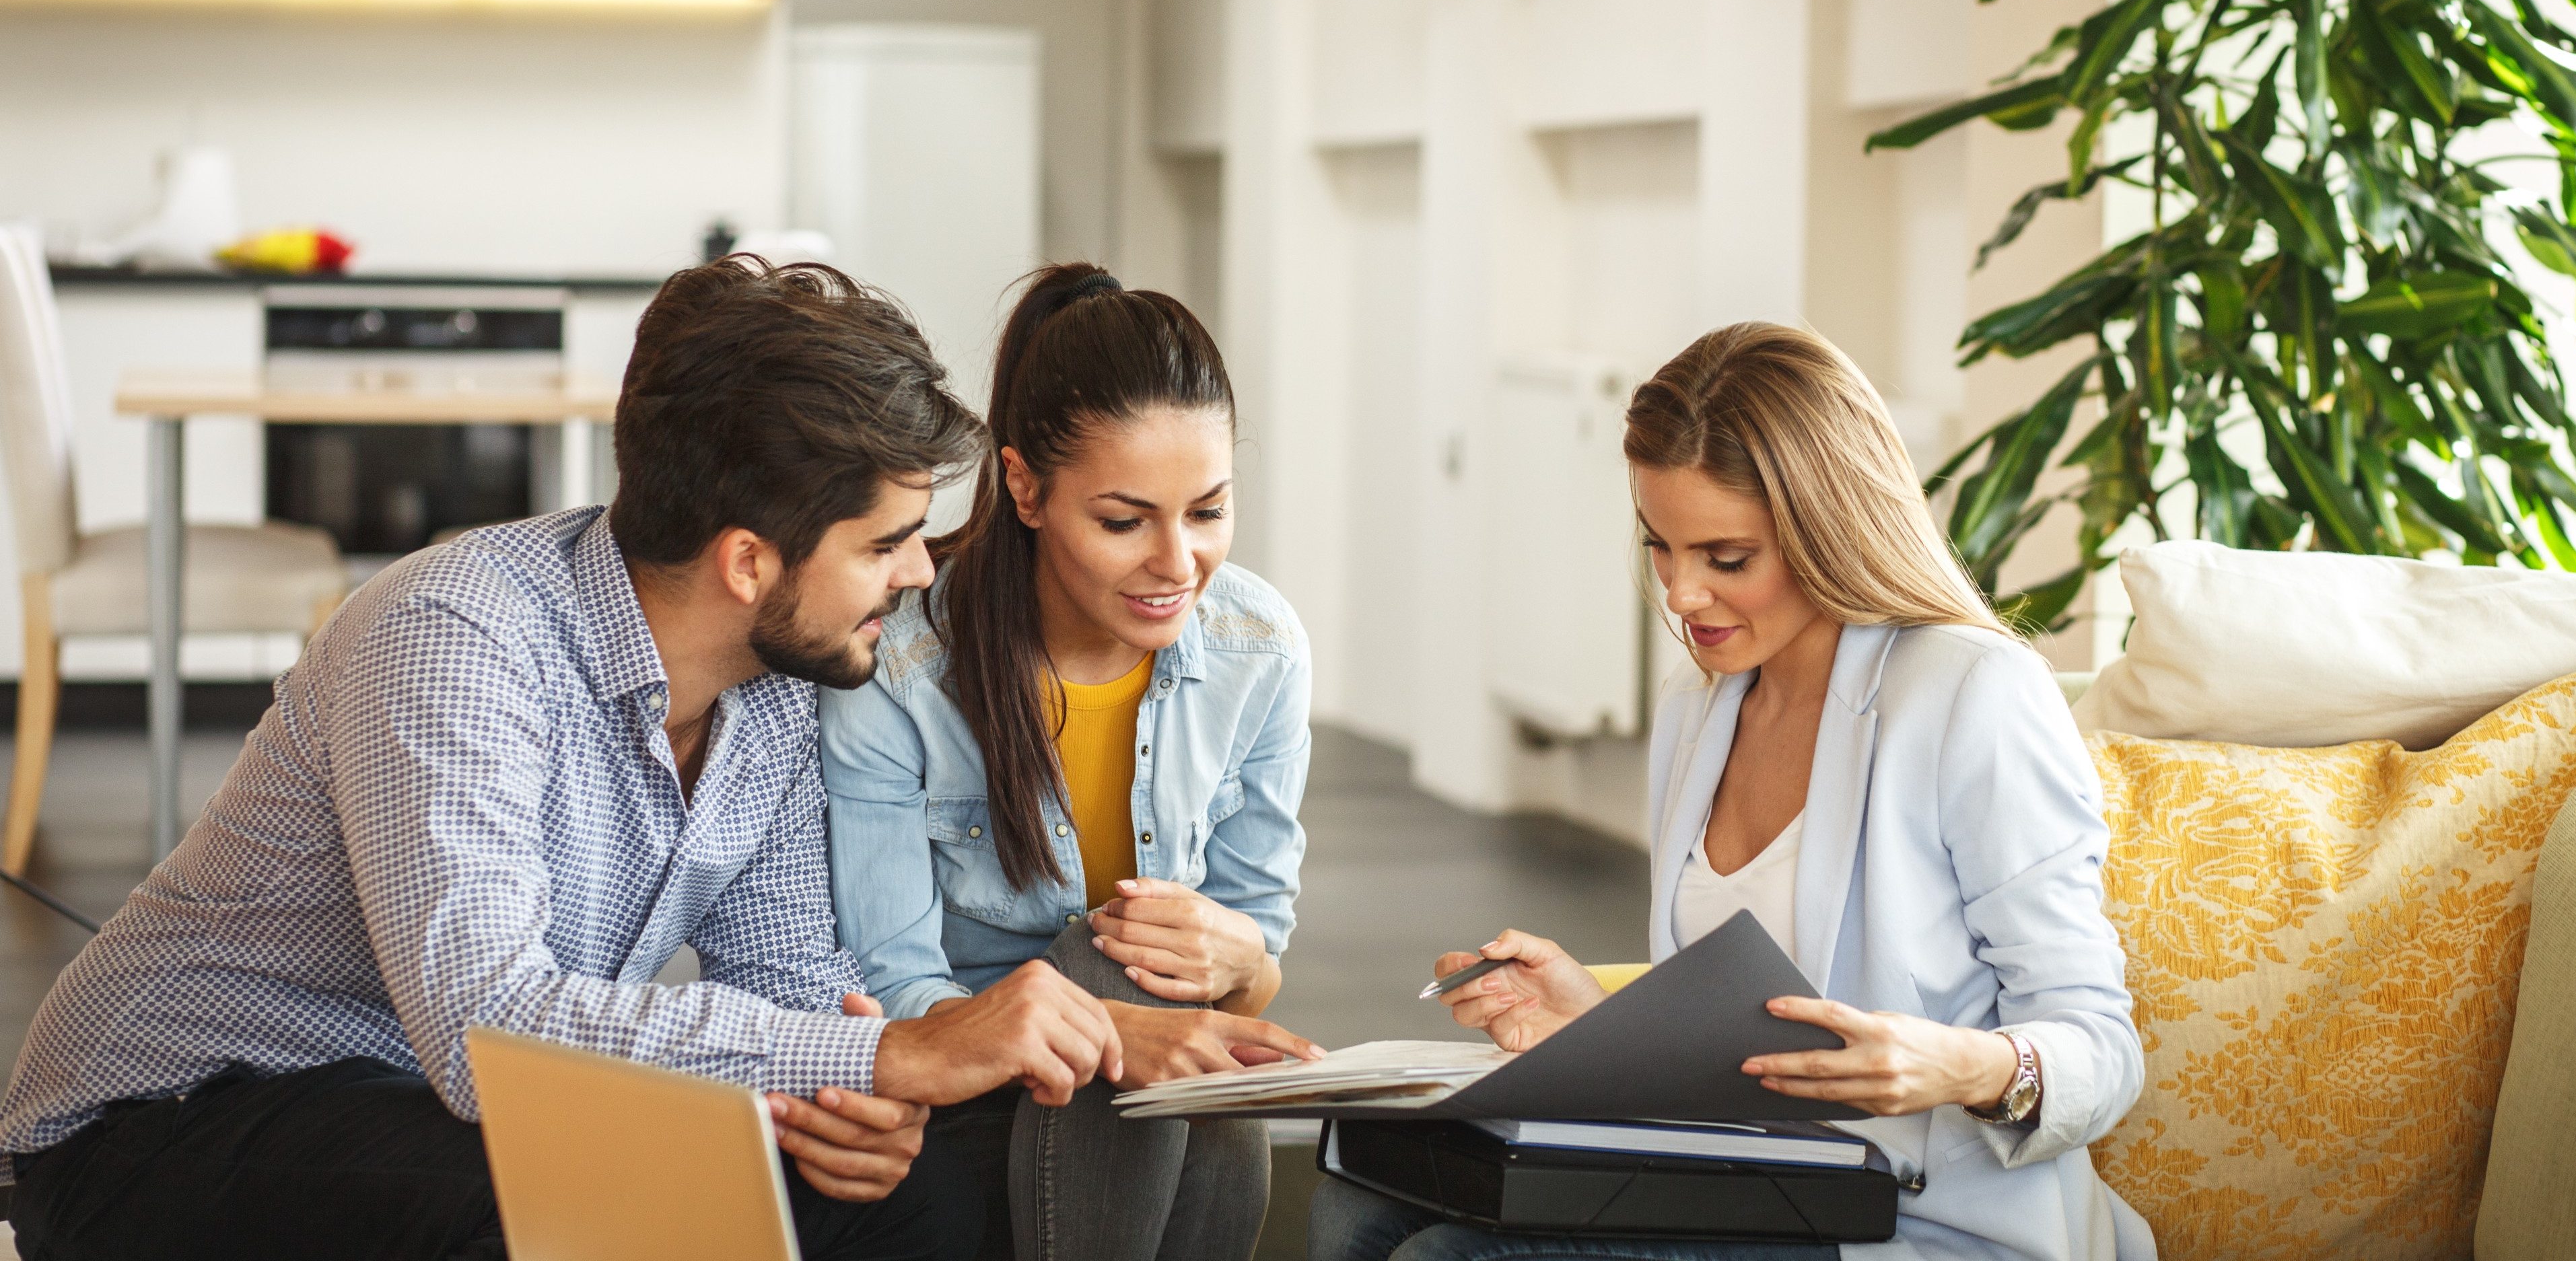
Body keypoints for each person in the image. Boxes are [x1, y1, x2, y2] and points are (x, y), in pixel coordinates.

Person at [0, 258, 1132, 1261]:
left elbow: (783, 979)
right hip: (163, 1121)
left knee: (914, 1201)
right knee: (578, 1204)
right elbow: (485, 1026)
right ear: (747, 561)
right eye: (886, 544)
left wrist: (846, 1088)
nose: (921, 574)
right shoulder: (457, 635)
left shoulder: (783, 685)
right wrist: (892, 1057)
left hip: (435, 1108)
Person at [1313, 323, 2148, 1261]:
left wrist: (1956, 1065)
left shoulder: (1970, 695)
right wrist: (1593, 1017)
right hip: (1754, 1188)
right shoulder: (1701, 706)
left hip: (1919, 1224)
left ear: (1830, 529)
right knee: (1354, 1207)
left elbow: (2103, 1053)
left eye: (1726, 558)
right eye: (1661, 546)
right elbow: (1746, 1038)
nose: (1679, 594)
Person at [821, 264, 1317, 1261]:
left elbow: (1255, 965)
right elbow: (901, 990)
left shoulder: (1259, 647)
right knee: (1120, 965)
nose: (1178, 563)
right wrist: (1112, 1025)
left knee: (1167, 981)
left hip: (1149, 1098)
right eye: (1125, 522)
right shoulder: (903, 667)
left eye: (1209, 512)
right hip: (966, 1092)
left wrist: (1241, 960)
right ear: (1025, 486)